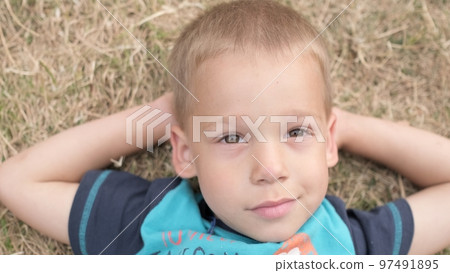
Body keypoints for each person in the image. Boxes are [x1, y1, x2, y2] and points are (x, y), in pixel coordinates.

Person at [0, 0, 449, 255]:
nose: (270, 169)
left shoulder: (348, 246)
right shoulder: (154, 220)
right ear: (186, 153)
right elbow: (17, 180)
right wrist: (158, 116)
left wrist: (348, 128)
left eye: (295, 133)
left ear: (327, 142)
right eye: (232, 137)